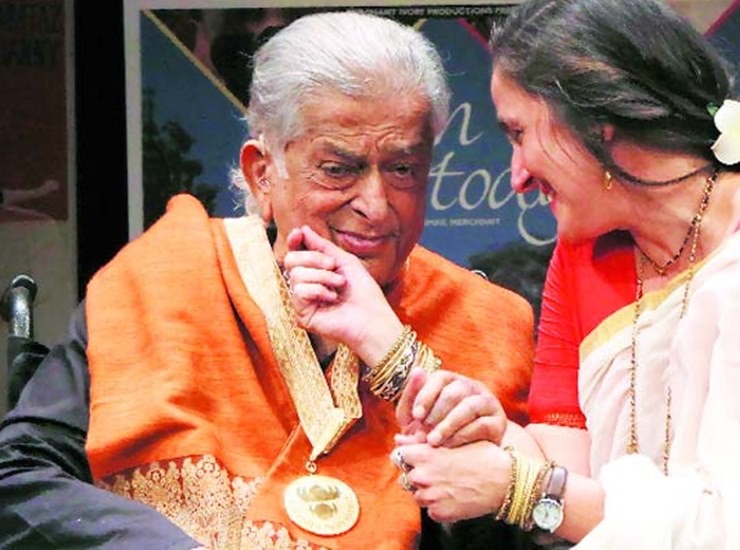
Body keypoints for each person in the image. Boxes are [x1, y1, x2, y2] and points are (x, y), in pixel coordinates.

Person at [301, 0, 740, 547]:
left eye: (519, 134)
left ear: (598, 125)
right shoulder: (586, 252)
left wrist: (517, 487)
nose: (516, 176)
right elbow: (571, 477)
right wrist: (481, 425)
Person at [0, 12, 535, 549]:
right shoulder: (163, 278)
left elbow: (519, 524)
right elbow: (20, 477)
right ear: (263, 174)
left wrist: (395, 356)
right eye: (338, 169)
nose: (376, 206)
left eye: (403, 169)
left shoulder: (483, 321)